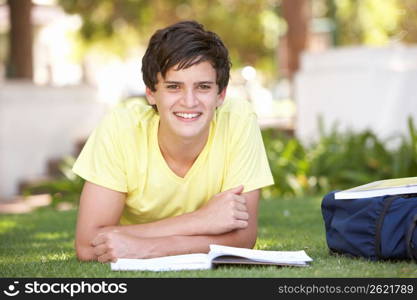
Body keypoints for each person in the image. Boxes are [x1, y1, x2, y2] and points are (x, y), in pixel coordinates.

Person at [72, 20, 274, 262]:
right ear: (151, 92)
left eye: (203, 87)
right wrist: (200, 220)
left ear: (220, 94)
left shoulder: (238, 120)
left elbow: (242, 240)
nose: (189, 102)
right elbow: (88, 246)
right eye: (174, 87)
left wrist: (145, 248)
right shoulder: (120, 128)